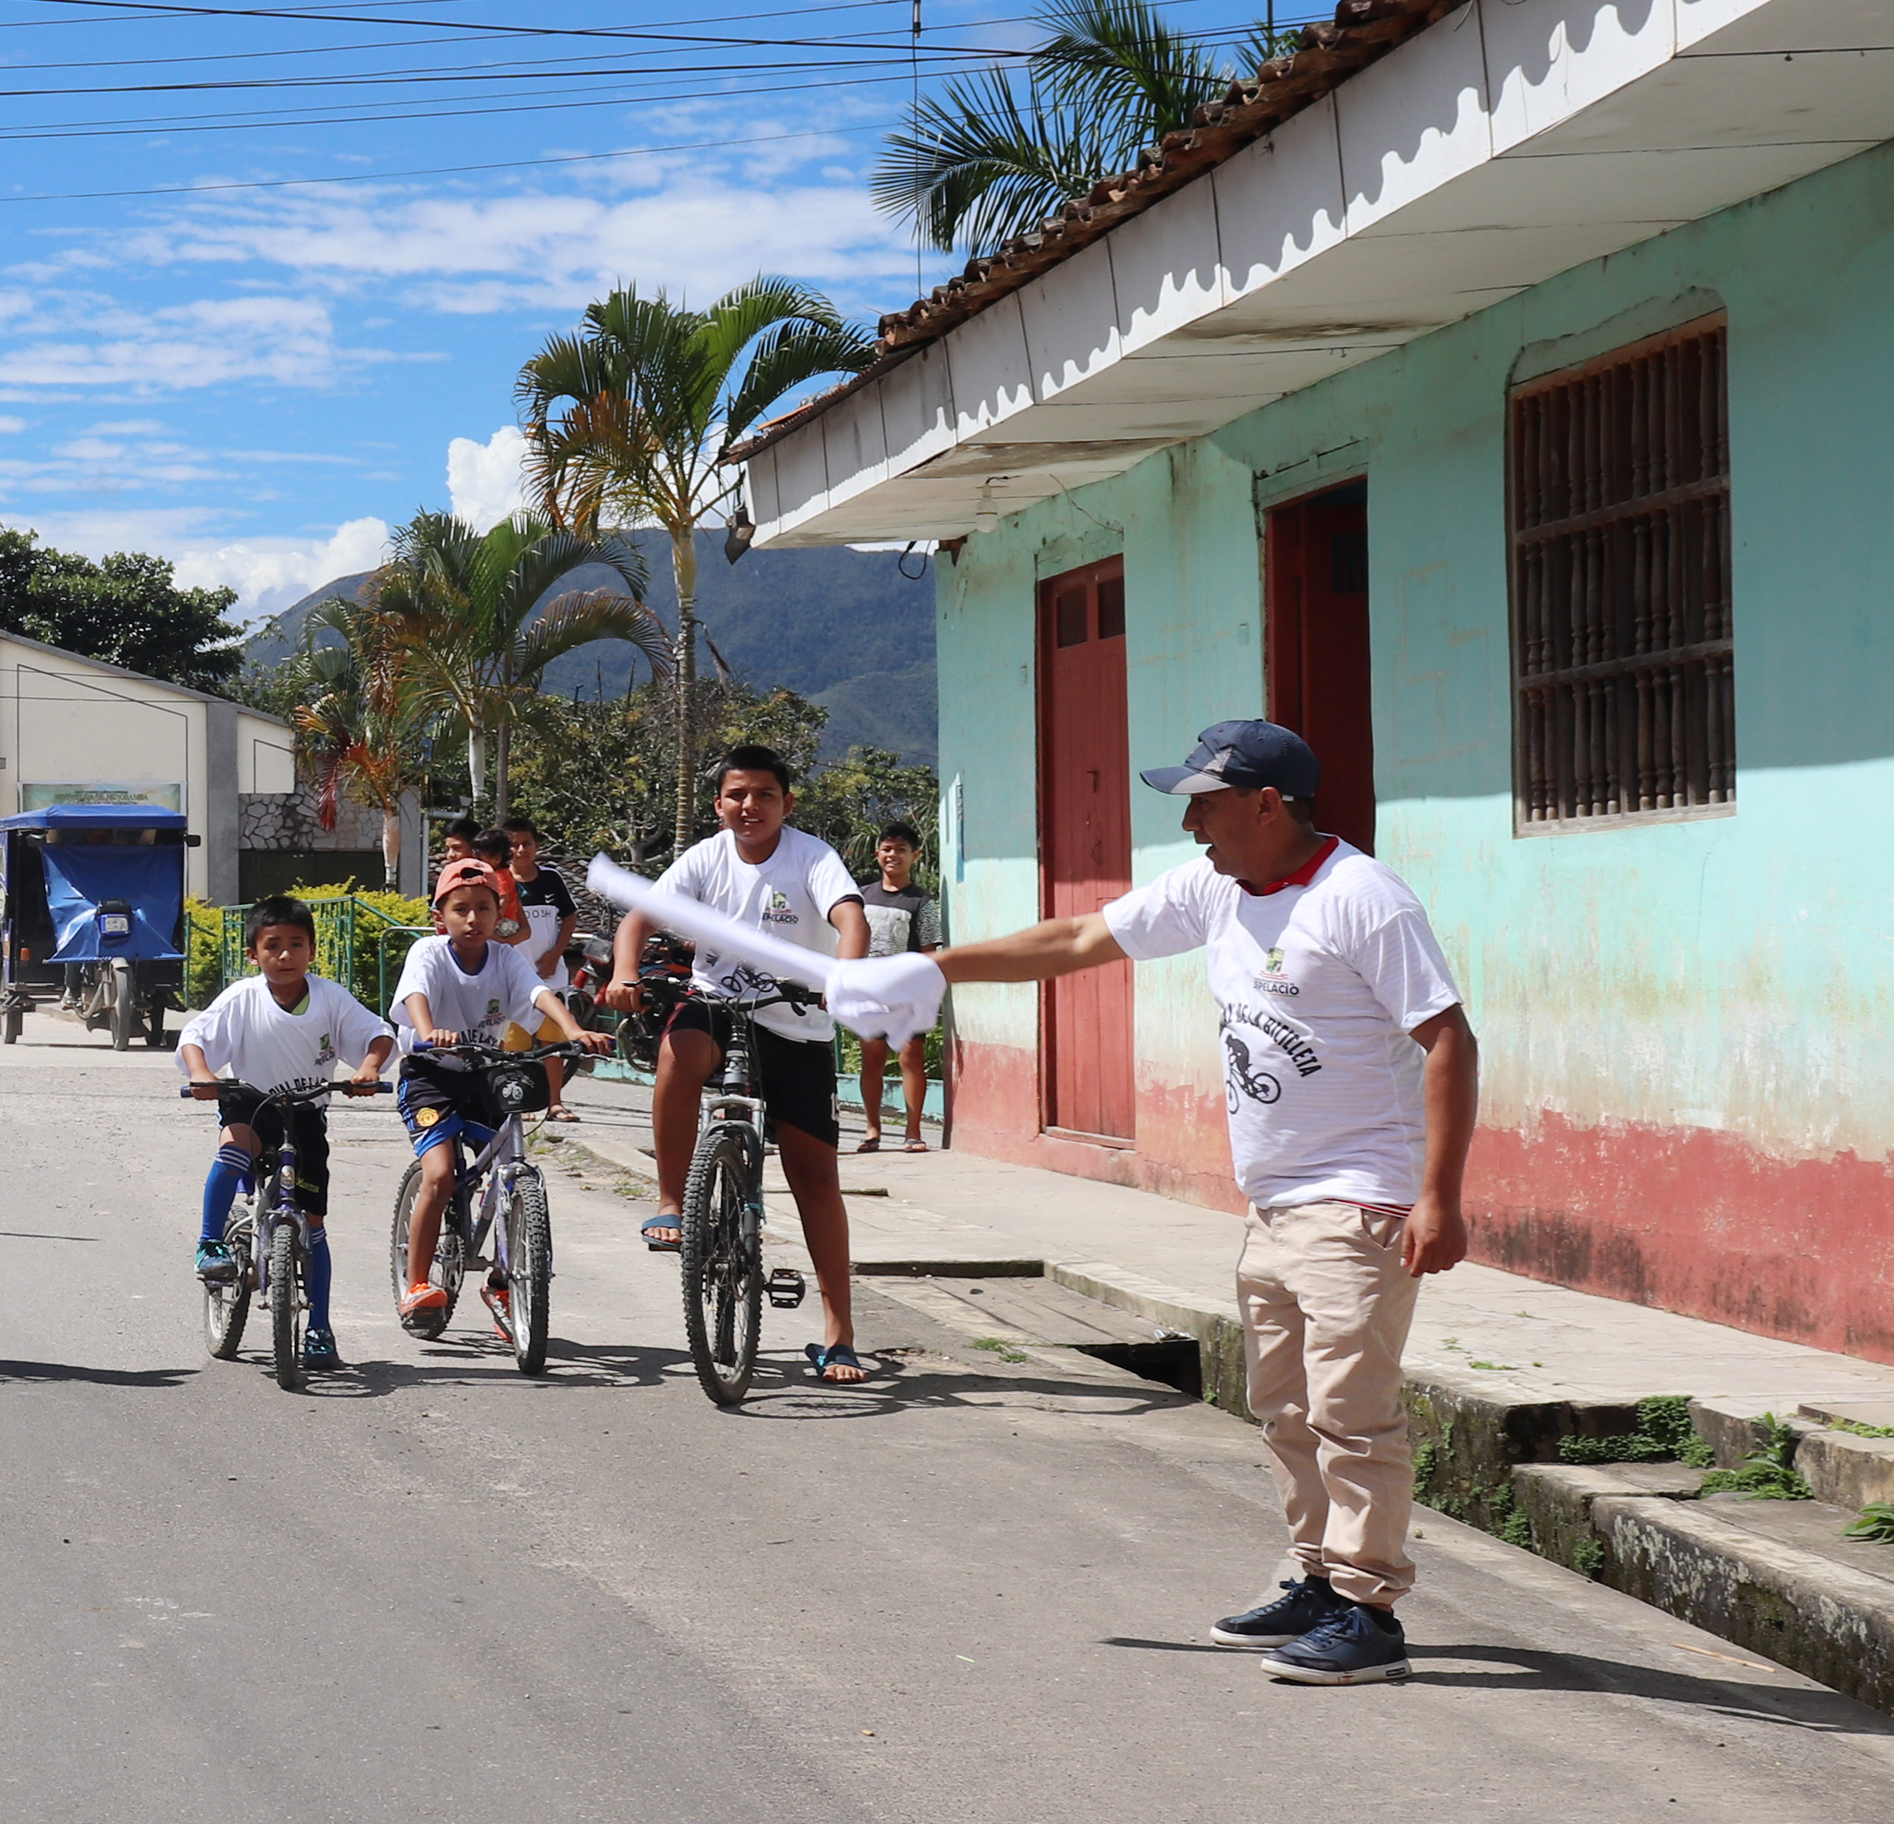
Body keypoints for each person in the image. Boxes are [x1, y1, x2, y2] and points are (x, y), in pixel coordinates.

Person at [929, 721, 1475, 1686]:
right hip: (1274, 1206)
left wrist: (1438, 1198)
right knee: (1284, 1409)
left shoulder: (1363, 900)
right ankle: (1315, 1578)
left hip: (1360, 1203)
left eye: (1204, 802)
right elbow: (1077, 937)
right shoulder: (1219, 889)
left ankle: (1369, 1610)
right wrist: (935, 967)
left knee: (1354, 1414)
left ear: (1269, 804)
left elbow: (1449, 1042)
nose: (1189, 824)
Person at [602, 746, 878, 1386]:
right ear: (719, 802)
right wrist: (623, 973)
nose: (748, 807)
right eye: (736, 795)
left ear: (786, 803)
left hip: (794, 1021)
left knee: (816, 1181)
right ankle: (672, 1201)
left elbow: (849, 917)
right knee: (679, 1052)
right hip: (717, 1007)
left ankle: (839, 1333)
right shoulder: (704, 857)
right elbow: (641, 917)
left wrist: (847, 974)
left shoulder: (811, 857)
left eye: (764, 795)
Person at [177, 892, 393, 1369]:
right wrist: (202, 1075)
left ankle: (319, 1328)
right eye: (272, 945)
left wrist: (369, 1067)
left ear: (313, 950)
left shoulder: (331, 997)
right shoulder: (242, 997)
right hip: (251, 1102)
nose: (285, 955)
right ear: (253, 954)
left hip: (305, 1114)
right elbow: (196, 1037)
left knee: (313, 1226)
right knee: (234, 1150)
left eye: (297, 944)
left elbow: (377, 1034)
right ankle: (210, 1240)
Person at [392, 864, 576, 1339]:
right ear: (440, 917)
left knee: (510, 1171)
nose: (473, 918)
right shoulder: (427, 952)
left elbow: (538, 994)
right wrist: (429, 1030)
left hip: (486, 1075)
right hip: (432, 1075)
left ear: (500, 916)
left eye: (484, 909)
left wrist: (573, 1032)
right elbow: (414, 994)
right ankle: (415, 1284)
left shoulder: (505, 957)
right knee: (439, 1174)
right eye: (461, 909)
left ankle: (503, 1283)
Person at [854, 819, 943, 1153]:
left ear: (915, 855)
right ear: (878, 853)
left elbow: (930, 952)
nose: (894, 855)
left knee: (910, 1058)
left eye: (901, 850)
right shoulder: (860, 897)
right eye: (888, 849)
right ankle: (872, 1129)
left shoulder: (923, 902)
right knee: (872, 1060)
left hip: (907, 994)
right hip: (869, 993)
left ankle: (913, 1132)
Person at [497, 813, 583, 1122]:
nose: (521, 851)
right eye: (514, 845)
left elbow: (569, 917)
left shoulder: (551, 879)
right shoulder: (498, 881)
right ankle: (518, 1102)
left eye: (527, 844)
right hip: (511, 977)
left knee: (553, 1041)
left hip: (550, 976)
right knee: (513, 1042)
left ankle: (555, 1102)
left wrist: (554, 953)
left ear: (536, 845)